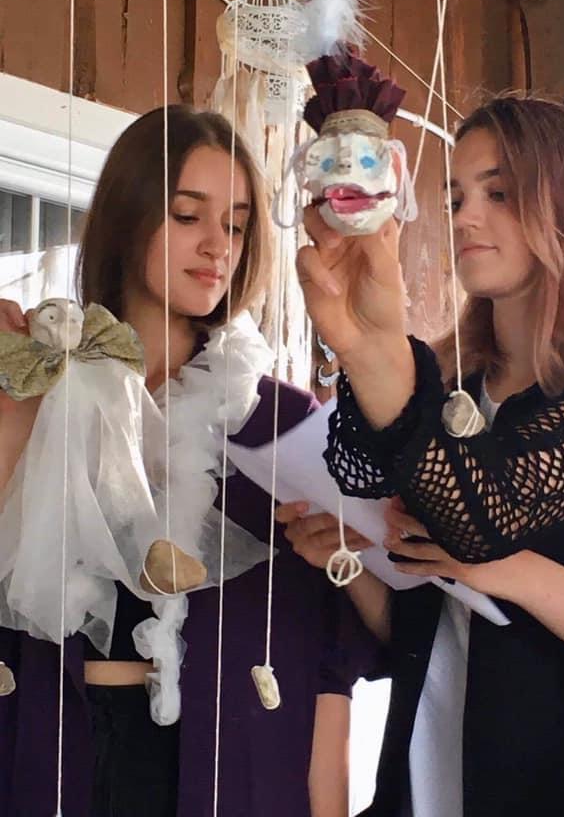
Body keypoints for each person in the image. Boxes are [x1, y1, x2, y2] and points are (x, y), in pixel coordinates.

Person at [287, 94, 564, 816]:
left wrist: (500, 567)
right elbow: (427, 633)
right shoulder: (443, 389)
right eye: (455, 196)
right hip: (426, 771)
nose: (464, 217)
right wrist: (351, 560)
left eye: (499, 193)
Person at [0, 105, 375, 817]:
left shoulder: (279, 427)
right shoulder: (41, 392)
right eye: (187, 214)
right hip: (49, 753)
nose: (216, 246)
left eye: (236, 225)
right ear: (129, 216)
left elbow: (332, 662)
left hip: (223, 775)